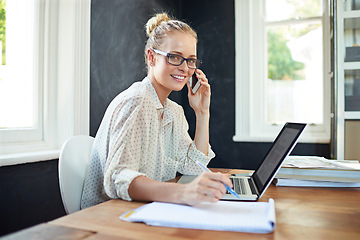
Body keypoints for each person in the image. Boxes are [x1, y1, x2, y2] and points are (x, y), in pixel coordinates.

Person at [81, 13, 232, 209]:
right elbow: (118, 177)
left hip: (145, 209)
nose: (185, 68)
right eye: (175, 57)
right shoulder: (136, 102)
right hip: (109, 215)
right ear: (151, 58)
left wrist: (202, 113)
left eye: (191, 60)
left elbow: (194, 169)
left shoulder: (174, 112)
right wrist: (183, 192)